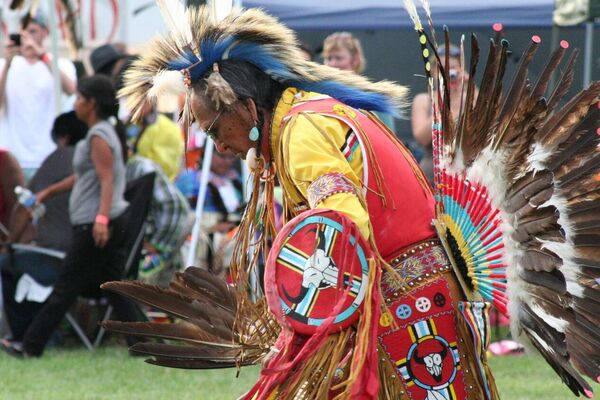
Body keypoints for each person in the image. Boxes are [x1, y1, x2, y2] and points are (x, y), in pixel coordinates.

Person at [115, 7, 497, 399]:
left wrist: (304, 327)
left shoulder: (302, 132)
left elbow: (343, 222)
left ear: (246, 107)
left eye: (215, 131)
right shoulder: (305, 117)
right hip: (409, 294)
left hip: (407, 301)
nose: (221, 146)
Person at [0, 75, 142, 357]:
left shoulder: (99, 135)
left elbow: (107, 179)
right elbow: (86, 175)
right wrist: (49, 192)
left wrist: (101, 219)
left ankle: (30, 345)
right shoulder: (100, 132)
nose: (74, 102)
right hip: (103, 219)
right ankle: (147, 344)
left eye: (78, 97)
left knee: (65, 286)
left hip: (95, 222)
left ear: (91, 103)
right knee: (115, 288)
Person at [1, 111, 87, 342]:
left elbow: (24, 208)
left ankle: (28, 334)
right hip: (90, 257)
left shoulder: (58, 158)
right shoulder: (94, 160)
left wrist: (10, 245)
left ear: (63, 136)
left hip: (58, 256)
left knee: (6, 263)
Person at [0, 11, 77, 180]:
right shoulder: (5, 65)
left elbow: (72, 89)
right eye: (23, 32)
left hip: (47, 154)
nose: (27, 37)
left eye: (33, 31)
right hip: (13, 156)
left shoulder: (59, 64)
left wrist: (42, 56)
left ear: (45, 32)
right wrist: (7, 64)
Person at [411, 44, 476, 185]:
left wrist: (470, 86)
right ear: (434, 72)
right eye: (442, 69)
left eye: (452, 68)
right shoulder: (424, 100)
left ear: (461, 70)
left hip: (467, 174)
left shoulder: (471, 98)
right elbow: (422, 138)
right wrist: (442, 103)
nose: (448, 73)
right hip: (433, 174)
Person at [126, 155, 192, 285]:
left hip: (160, 239)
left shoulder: (142, 168)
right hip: (150, 239)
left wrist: (156, 244)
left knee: (152, 292)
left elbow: (172, 205)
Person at [323, 31, 396, 133]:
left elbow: (388, 137)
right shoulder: (320, 94)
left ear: (355, 60)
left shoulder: (373, 96)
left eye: (338, 58)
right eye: (328, 58)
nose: (332, 63)